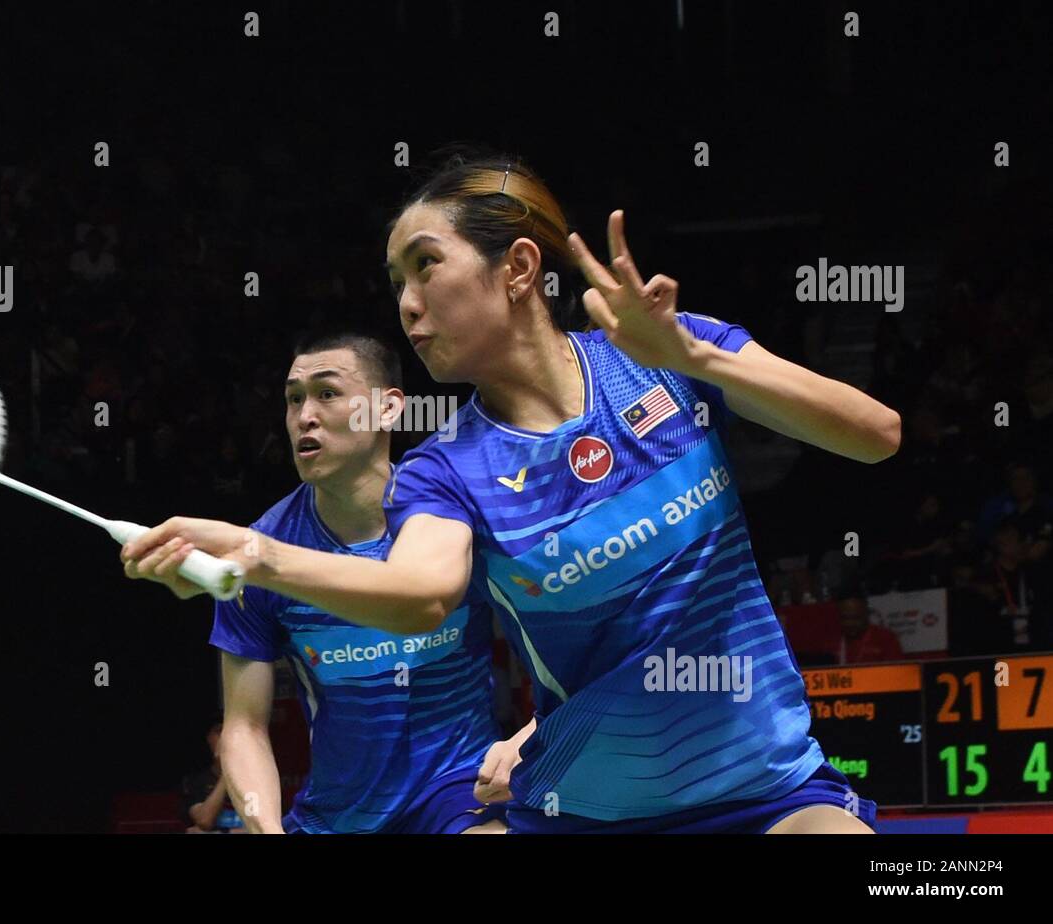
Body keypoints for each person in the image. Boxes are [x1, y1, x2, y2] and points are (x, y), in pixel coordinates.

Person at [123, 152, 902, 833]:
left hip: (768, 794)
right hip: (590, 814)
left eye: (426, 265)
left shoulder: (669, 359)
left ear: (519, 268)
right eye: (396, 282)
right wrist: (258, 553)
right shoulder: (446, 469)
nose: (407, 304)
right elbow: (421, 592)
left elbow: (874, 434)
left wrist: (700, 357)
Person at [129, 330, 506, 833]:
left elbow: (554, 647)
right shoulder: (258, 546)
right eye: (292, 399)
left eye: (327, 394)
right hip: (338, 814)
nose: (304, 416)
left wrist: (529, 735)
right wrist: (266, 829)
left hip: (460, 792)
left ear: (388, 409)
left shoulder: (453, 516)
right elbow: (244, 725)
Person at [835, 591, 905, 664]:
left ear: (866, 614)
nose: (850, 623)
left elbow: (897, 672)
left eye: (856, 617)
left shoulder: (886, 639)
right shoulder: (832, 640)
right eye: (845, 618)